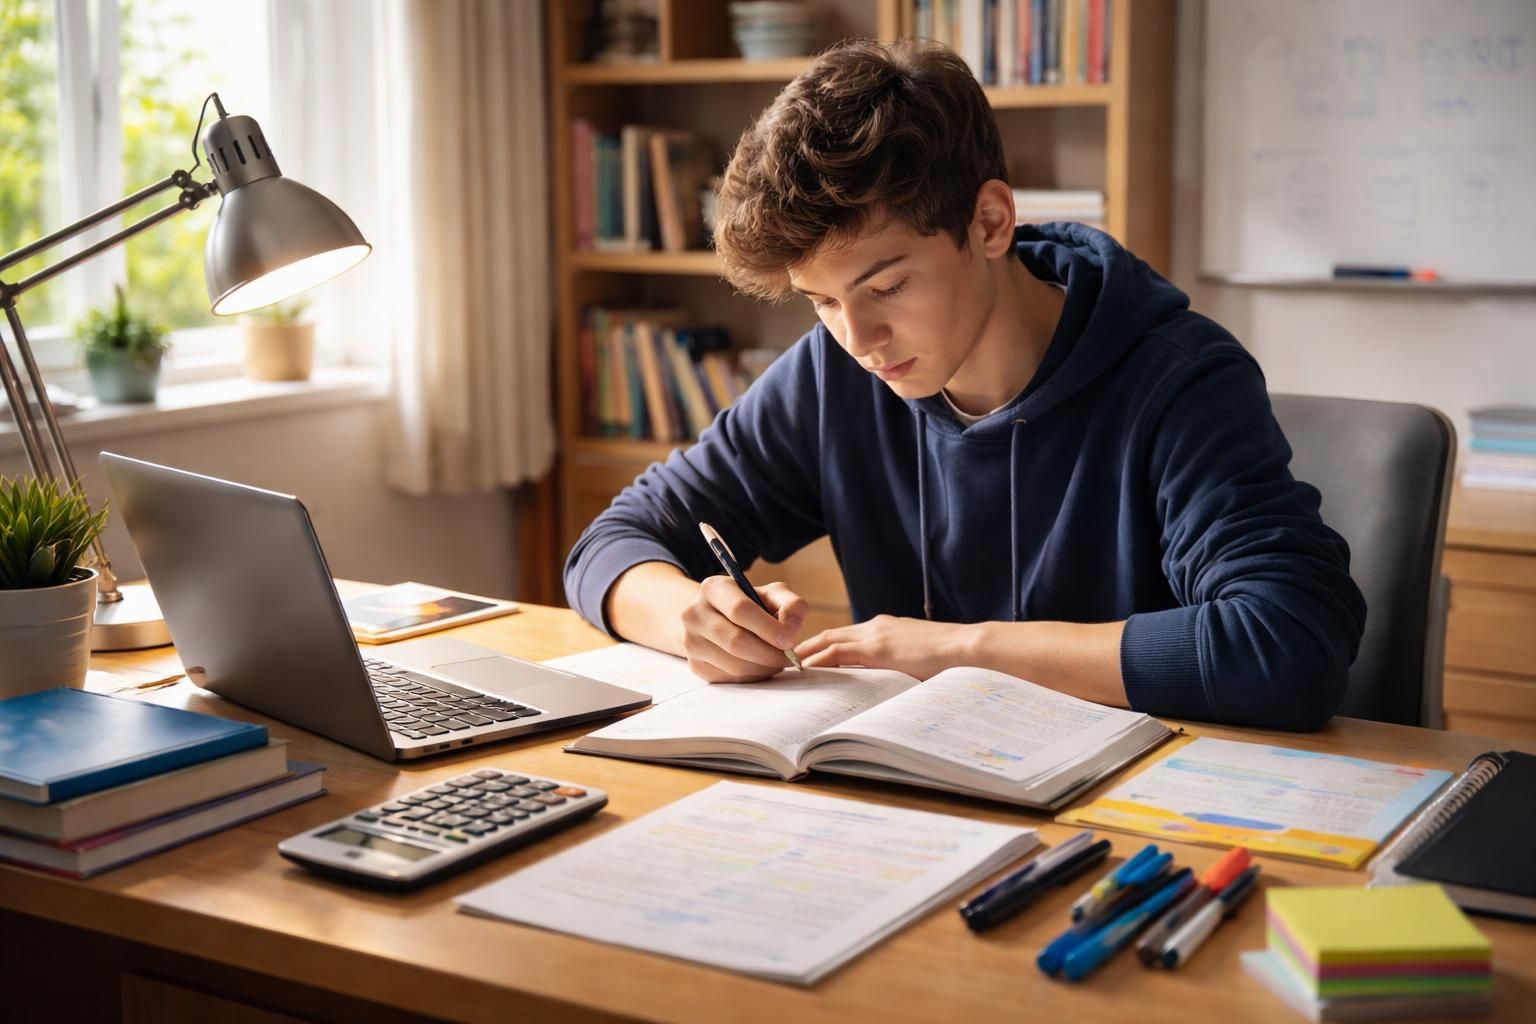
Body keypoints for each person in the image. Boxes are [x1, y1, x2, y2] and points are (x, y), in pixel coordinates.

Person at [564, 39, 1366, 731]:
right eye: (823, 302)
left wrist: (957, 651)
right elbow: (611, 544)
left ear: (990, 223)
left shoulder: (1178, 380)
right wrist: (690, 619)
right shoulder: (832, 370)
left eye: (885, 288)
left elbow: (1288, 644)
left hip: (1133, 821)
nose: (859, 341)